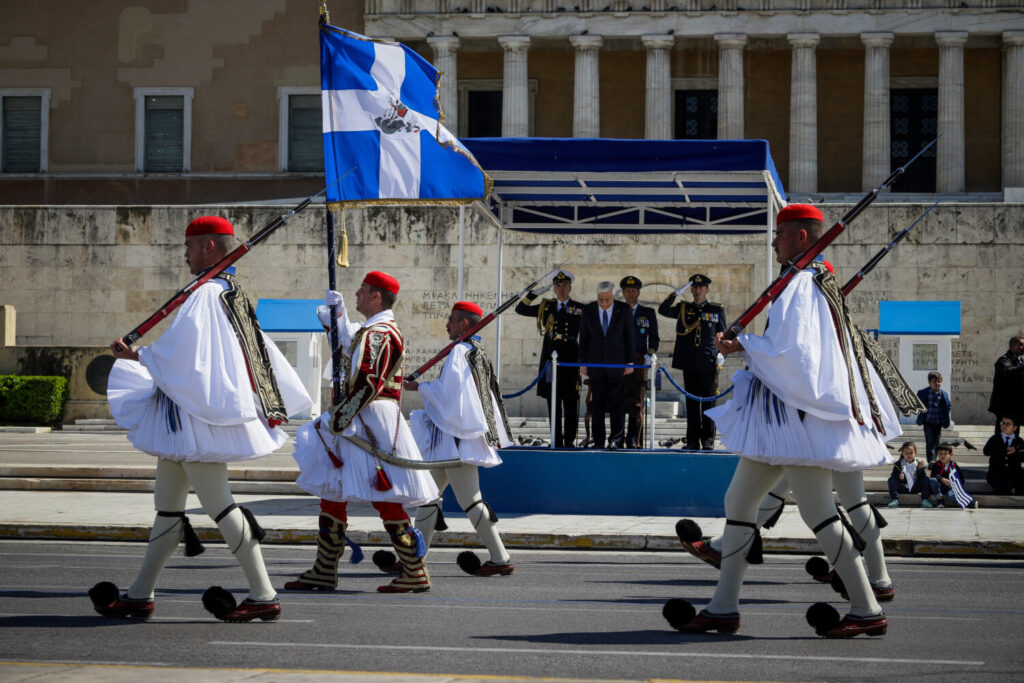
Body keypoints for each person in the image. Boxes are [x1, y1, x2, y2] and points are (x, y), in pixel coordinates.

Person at [664, 203, 907, 638]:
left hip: (795, 422)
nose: (773, 242)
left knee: (821, 516)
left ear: (800, 237)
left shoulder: (801, 284)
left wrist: (745, 346)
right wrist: (750, 346)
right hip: (778, 423)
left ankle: (867, 607)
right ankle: (723, 607)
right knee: (739, 503)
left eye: (779, 235)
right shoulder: (813, 282)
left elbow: (796, 357)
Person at [93, 215, 312, 622]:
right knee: (168, 510)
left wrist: (137, 355)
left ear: (210, 247)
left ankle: (264, 594)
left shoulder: (207, 294)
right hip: (183, 420)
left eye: (190, 247)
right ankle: (140, 594)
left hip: (196, 419)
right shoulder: (230, 292)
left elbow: (187, 357)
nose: (185, 254)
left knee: (221, 506)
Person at [285, 272, 440, 593]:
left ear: (377, 297)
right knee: (333, 488)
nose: (356, 294)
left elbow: (368, 380)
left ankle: (414, 569)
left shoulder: (380, 332)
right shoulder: (372, 330)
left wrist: (339, 418)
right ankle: (325, 568)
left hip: (367, 416)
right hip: (362, 414)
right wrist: (337, 318)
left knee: (383, 495)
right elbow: (348, 353)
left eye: (363, 290)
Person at [403, 301, 515, 577]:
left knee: (472, 501)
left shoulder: (459, 353)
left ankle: (500, 558)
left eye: (451, 320)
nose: (447, 325)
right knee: (428, 498)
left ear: (464, 324)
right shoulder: (477, 352)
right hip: (453, 440)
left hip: (456, 441)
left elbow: (450, 395)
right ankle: (415, 559)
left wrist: (420, 387)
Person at [514, 269, 583, 448]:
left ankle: (569, 440)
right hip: (551, 359)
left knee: (570, 401)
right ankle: (556, 440)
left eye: (565, 285)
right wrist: (533, 294)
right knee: (553, 400)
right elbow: (520, 309)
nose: (561, 289)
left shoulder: (580, 308)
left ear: (570, 287)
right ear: (554, 288)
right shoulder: (546, 307)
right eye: (558, 286)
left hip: (571, 357)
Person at [658, 273, 726, 450]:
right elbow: (663, 310)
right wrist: (675, 294)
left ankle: (708, 440)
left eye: (700, 287)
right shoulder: (683, 308)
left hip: (709, 362)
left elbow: (723, 334)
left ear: (707, 289)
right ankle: (693, 440)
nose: (696, 290)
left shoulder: (716, 310)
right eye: (694, 287)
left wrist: (722, 354)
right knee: (692, 403)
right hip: (689, 362)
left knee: (709, 403)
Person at [579, 281, 635, 449]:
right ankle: (598, 440)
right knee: (597, 405)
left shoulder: (623, 310)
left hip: (617, 365)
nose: (604, 303)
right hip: (596, 365)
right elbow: (584, 339)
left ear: (613, 296)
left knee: (617, 405)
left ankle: (616, 439)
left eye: (607, 299)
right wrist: (583, 362)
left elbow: (629, 337)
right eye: (600, 299)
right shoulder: (588, 311)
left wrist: (630, 362)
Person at [620, 276, 659, 448]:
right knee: (619, 399)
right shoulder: (616, 310)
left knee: (637, 401)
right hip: (620, 362)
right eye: (628, 291)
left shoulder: (648, 312)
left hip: (639, 361)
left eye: (634, 290)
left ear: (638, 292)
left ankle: (634, 438)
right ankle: (618, 436)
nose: (631, 293)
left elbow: (655, 338)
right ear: (623, 293)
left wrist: (650, 354)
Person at [988, 336, 1024, 435]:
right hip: (1005, 406)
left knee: (1014, 432)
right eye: (1020, 345)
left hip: (1017, 406)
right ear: (1012, 346)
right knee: (1002, 433)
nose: (1023, 347)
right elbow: (1008, 372)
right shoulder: (1004, 360)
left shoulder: (1020, 361)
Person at [916, 372, 951, 464]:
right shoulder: (923, 393)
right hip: (928, 422)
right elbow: (917, 404)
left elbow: (948, 405)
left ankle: (934, 459)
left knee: (937, 442)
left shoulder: (944, 394)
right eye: (934, 381)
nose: (937, 383)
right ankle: (931, 460)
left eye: (939, 381)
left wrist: (945, 415)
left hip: (938, 422)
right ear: (929, 382)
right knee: (930, 441)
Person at [929, 443, 978, 509]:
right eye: (940, 453)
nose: (943, 456)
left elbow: (961, 479)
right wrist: (943, 479)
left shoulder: (954, 466)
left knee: (951, 496)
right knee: (932, 480)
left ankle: (970, 503)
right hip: (939, 487)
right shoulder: (936, 465)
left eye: (945, 453)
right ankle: (940, 500)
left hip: (950, 488)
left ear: (950, 455)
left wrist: (953, 484)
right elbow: (933, 475)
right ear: (937, 454)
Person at [983, 416, 1023, 495]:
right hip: (997, 473)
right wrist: (1001, 448)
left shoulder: (1019, 441)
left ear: (1014, 428)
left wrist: (1016, 451)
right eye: (1003, 423)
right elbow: (986, 451)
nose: (1004, 426)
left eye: (1008, 424)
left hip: (1014, 473)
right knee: (1002, 489)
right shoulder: (994, 438)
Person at [887, 442, 933, 508]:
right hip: (903, 487)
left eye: (911, 453)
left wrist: (920, 469)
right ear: (902, 453)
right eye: (906, 453)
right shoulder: (898, 464)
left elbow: (922, 477)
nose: (909, 455)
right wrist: (899, 476)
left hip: (915, 487)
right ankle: (894, 499)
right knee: (891, 480)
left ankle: (925, 500)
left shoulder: (918, 463)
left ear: (915, 453)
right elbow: (894, 475)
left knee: (926, 479)